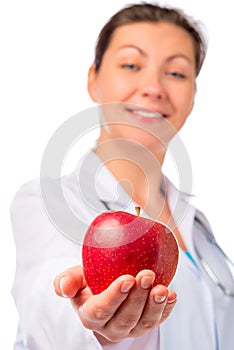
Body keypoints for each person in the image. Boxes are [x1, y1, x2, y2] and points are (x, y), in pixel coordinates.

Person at [10, 2, 234, 350]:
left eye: (176, 73)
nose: (153, 88)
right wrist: (92, 321)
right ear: (93, 80)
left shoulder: (199, 226)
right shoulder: (47, 201)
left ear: (192, 96)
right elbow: (47, 303)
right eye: (132, 65)